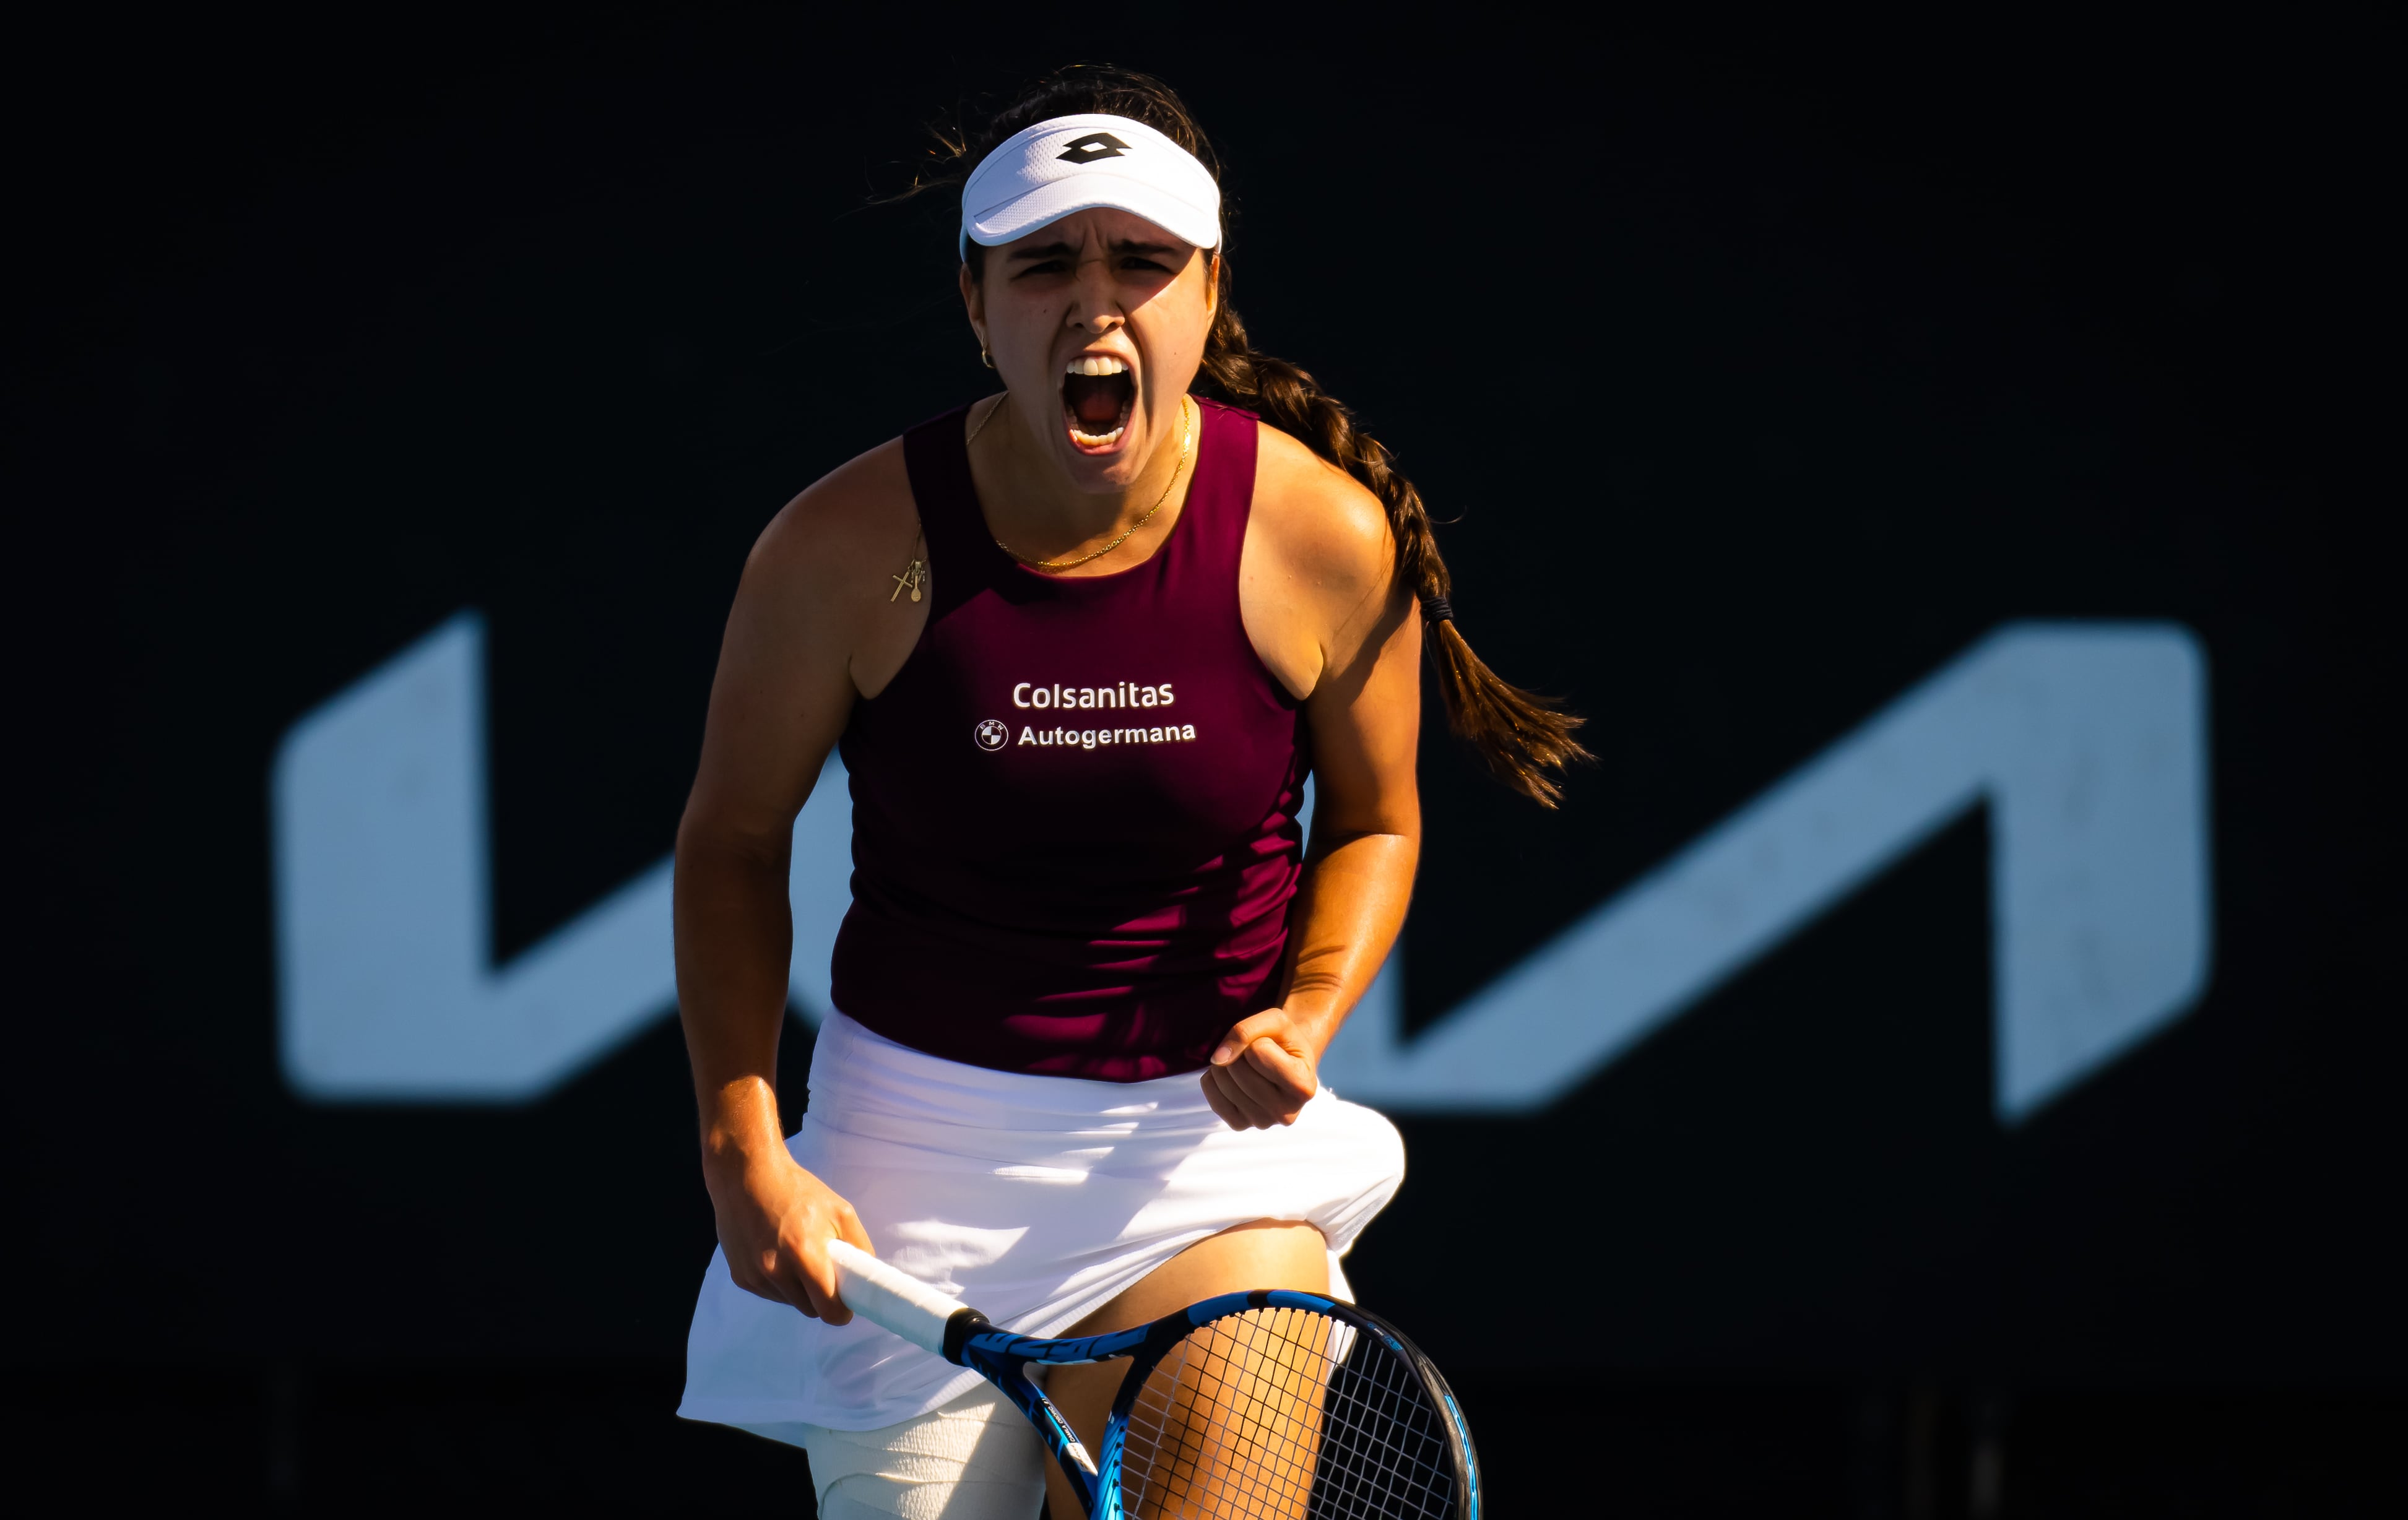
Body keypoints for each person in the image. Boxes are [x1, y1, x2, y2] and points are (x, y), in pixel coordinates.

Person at [672, 66, 1584, 1518]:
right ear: (977, 306)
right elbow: (730, 841)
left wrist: (1308, 1007)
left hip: (1200, 1167)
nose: (1095, 302)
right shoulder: (837, 550)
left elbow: (1374, 822)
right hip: (907, 1173)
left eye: (1141, 260)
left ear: (1207, 292)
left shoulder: (1323, 538)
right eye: (1044, 264)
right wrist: (741, 1142)